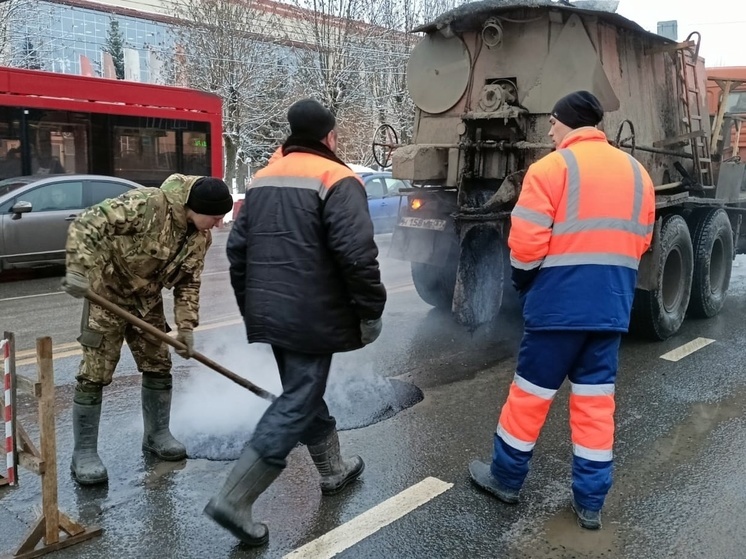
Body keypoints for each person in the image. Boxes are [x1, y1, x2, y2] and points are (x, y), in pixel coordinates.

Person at [468, 91, 656, 530]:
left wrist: (525, 283)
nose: (549, 130)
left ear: (568, 122)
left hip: (556, 310)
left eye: (552, 122)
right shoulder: (637, 173)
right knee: (595, 406)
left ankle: (506, 480)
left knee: (529, 399)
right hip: (610, 308)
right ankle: (590, 503)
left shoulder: (551, 169)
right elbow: (643, 240)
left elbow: (526, 243)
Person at [205, 98, 386, 546]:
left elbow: (236, 251)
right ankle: (235, 499)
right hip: (311, 312)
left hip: (271, 309)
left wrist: (253, 308)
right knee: (300, 398)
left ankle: (333, 470)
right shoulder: (337, 178)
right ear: (330, 137)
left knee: (301, 392)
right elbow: (357, 255)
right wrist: (370, 309)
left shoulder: (262, 180)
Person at [61, 174, 233, 486]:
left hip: (146, 300)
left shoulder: (198, 238)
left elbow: (188, 284)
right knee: (94, 373)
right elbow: (89, 222)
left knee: (158, 363)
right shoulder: (148, 205)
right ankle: (84, 453)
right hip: (105, 294)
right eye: (217, 217)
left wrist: (185, 327)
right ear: (196, 208)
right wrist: (76, 267)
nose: (219, 224)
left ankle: (157, 435)